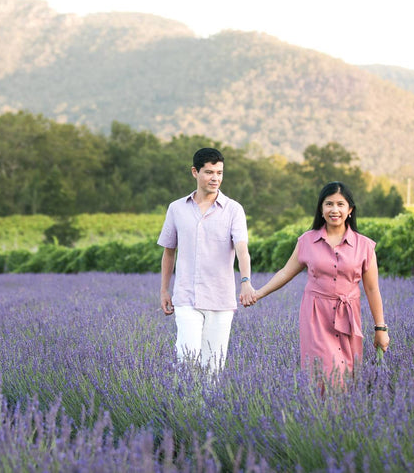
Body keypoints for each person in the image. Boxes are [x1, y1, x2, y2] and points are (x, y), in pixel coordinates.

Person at [241, 181, 389, 386]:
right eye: (329, 204)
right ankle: (320, 406)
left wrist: (380, 328)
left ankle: (341, 408)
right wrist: (258, 293)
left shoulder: (364, 246)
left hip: (348, 316)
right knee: (323, 374)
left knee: (348, 376)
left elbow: (372, 289)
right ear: (321, 209)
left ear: (350, 210)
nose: (334, 210)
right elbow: (285, 272)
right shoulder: (307, 241)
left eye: (340, 204)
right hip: (316, 316)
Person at [158, 147, 254, 373]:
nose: (215, 178)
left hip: (220, 299)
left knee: (213, 368)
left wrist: (246, 281)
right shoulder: (176, 209)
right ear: (195, 172)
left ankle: (208, 398)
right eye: (209, 172)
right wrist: (164, 290)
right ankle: (185, 398)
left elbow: (242, 249)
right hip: (186, 298)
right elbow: (169, 251)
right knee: (186, 361)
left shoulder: (233, 210)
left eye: (219, 173)